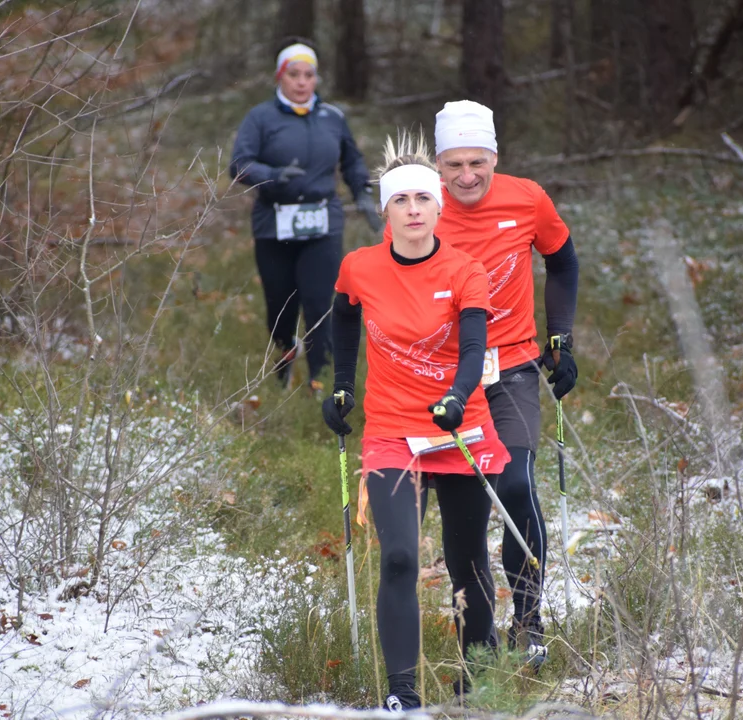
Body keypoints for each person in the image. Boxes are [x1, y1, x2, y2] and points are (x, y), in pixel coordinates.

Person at [321, 132, 510, 710]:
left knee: (467, 557)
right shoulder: (359, 268)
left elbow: (475, 348)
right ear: (386, 210)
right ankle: (401, 693)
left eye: (422, 201)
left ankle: (479, 674)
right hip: (391, 431)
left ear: (438, 206)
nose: (412, 211)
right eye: (400, 201)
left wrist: (456, 395)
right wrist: (344, 387)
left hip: (460, 427)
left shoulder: (465, 270)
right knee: (400, 556)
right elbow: (344, 320)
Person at [417, 100, 580, 668]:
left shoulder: (527, 198)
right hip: (441, 379)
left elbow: (563, 262)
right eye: (453, 165)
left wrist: (559, 338)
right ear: (436, 166)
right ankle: (475, 633)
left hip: (511, 369)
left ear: (494, 157)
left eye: (477, 163)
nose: (466, 177)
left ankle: (530, 622)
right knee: (463, 510)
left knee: (515, 487)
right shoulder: (421, 208)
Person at [229, 38, 383, 395]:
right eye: (293, 74)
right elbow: (238, 164)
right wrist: (272, 174)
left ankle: (322, 383)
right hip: (274, 224)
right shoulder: (261, 117)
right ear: (279, 77)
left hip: (322, 224)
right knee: (281, 307)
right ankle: (285, 357)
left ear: (316, 79)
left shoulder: (332, 117)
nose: (301, 82)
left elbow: (352, 160)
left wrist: (362, 193)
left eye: (308, 75)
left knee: (321, 304)